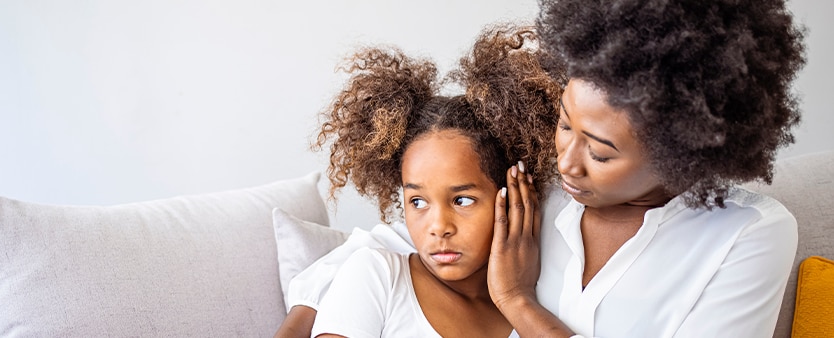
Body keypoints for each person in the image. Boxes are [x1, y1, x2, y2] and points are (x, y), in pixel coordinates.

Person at [279, 0, 807, 336]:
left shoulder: (747, 235)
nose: (567, 161)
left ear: (684, 150)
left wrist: (517, 302)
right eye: (563, 123)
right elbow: (396, 238)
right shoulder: (536, 187)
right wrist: (306, 317)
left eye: (600, 152)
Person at [275, 25, 563, 337]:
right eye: (418, 201)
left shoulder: (535, 304)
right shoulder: (377, 275)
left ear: (510, 196)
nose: (438, 227)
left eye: (462, 200)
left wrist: (515, 299)